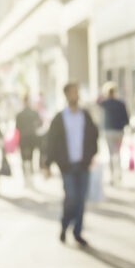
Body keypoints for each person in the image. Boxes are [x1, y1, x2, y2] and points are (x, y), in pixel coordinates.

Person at [42, 82, 99, 246]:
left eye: (77, 92)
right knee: (71, 198)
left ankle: (77, 232)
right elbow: (51, 142)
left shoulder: (85, 115)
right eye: (73, 92)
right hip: (67, 166)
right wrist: (47, 164)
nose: (76, 95)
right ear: (66, 95)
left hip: (83, 164)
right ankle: (64, 225)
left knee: (81, 200)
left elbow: (94, 136)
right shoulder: (59, 118)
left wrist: (91, 156)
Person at [98, 82, 129, 184]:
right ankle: (119, 173)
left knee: (110, 153)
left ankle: (111, 175)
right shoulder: (120, 103)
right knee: (118, 153)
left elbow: (97, 101)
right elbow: (126, 119)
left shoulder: (104, 103)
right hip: (119, 131)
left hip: (108, 131)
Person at [15, 92, 42, 183]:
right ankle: (30, 177)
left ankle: (26, 178)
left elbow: (17, 127)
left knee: (24, 159)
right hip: (31, 138)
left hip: (24, 138)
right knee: (30, 158)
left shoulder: (20, 114)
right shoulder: (34, 113)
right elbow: (40, 123)